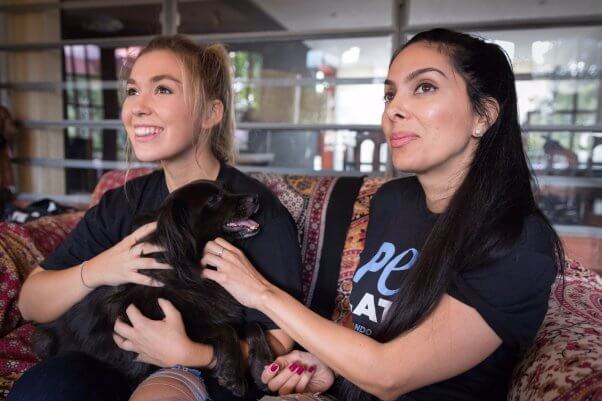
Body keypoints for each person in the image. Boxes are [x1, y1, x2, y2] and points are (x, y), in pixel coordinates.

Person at [198, 29, 564, 401]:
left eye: (424, 87)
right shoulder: (392, 201)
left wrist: (260, 292)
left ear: (482, 116)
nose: (393, 110)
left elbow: (389, 374)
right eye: (390, 94)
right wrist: (332, 370)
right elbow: (374, 339)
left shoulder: (517, 243)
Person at [9, 35, 303, 401]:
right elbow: (31, 303)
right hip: (112, 366)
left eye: (162, 90)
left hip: (206, 376)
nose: (138, 107)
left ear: (211, 113)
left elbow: (281, 338)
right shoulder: (123, 201)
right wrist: (99, 269)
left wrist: (197, 355)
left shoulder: (253, 210)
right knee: (46, 388)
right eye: (132, 91)